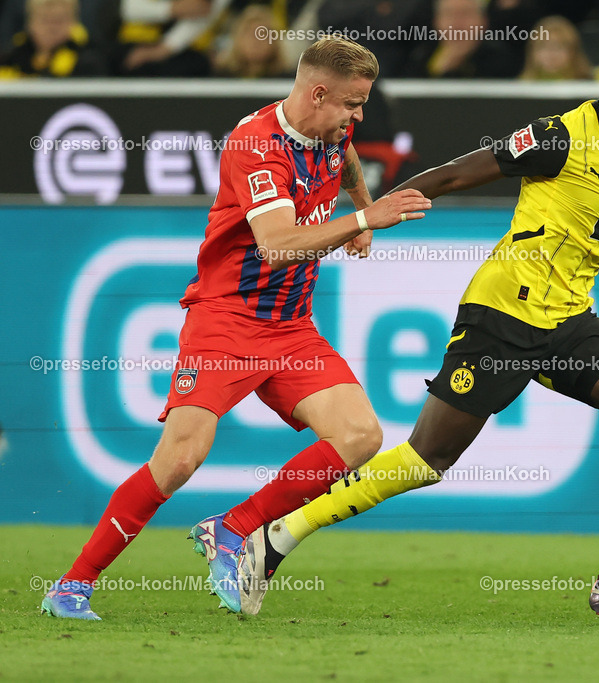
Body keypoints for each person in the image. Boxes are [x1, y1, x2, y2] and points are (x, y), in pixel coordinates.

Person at [235, 29, 599, 623]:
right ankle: (276, 536)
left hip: (567, 321)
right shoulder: (558, 137)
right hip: (502, 315)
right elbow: (459, 173)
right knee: (426, 459)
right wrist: (373, 214)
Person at [39, 37, 432, 620]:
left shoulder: (331, 129)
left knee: (360, 436)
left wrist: (358, 207)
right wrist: (365, 217)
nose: (359, 116)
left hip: (292, 328)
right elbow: (275, 244)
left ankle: (234, 527)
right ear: (317, 92)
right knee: (178, 459)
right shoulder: (255, 145)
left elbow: (345, 159)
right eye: (353, 103)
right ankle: (72, 585)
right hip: (226, 321)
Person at [0, 0, 104, 77]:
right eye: (45, 20)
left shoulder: (89, 60)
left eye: (59, 20)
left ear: (74, 23)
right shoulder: (11, 57)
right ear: (30, 23)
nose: (52, 27)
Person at [213, 4, 289, 78]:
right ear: (239, 38)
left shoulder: (289, 81)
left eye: (262, 35)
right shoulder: (220, 77)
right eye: (250, 35)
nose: (256, 42)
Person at [519, 14, 591, 80]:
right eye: (543, 46)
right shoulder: (517, 89)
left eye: (558, 47)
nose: (551, 54)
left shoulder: (592, 88)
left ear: (573, 51)